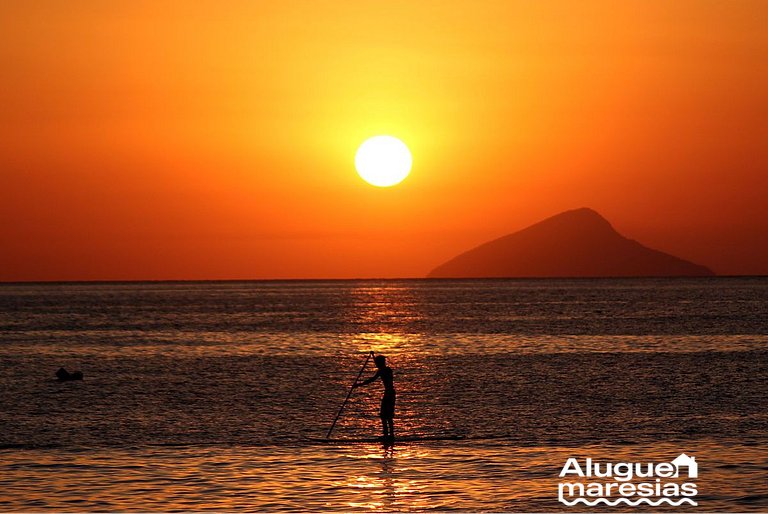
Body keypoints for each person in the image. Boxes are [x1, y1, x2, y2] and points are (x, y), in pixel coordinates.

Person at [354, 354, 395, 440]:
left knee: (386, 415)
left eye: (376, 363)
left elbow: (372, 380)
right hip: (389, 393)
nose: (376, 365)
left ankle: (389, 436)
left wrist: (359, 385)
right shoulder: (384, 370)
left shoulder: (385, 370)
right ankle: (388, 435)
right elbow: (375, 377)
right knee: (385, 415)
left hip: (389, 393)